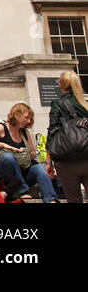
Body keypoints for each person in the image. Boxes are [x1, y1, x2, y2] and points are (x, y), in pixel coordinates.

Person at [0, 102, 58, 202]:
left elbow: (32, 153)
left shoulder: (24, 132)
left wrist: (27, 153)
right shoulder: (2, 128)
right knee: (8, 157)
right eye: (26, 117)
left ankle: (50, 199)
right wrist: (4, 145)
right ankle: (22, 191)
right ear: (17, 115)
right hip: (7, 175)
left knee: (40, 168)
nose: (28, 121)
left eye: (30, 118)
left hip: (24, 171)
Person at [47, 70, 88, 203]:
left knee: (73, 199)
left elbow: (52, 131)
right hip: (86, 156)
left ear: (62, 85)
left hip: (66, 159)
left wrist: (49, 161)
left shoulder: (57, 104)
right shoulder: (85, 105)